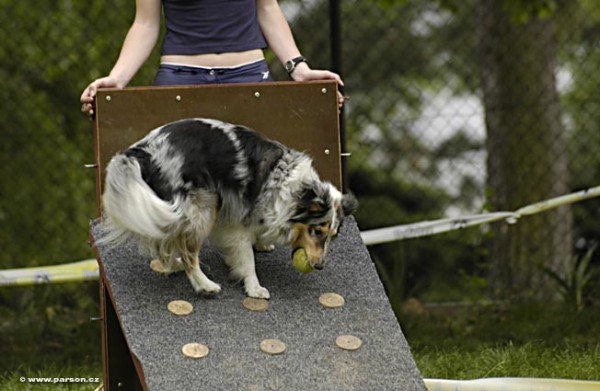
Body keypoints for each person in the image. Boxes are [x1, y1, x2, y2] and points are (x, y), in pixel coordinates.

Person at [80, 0, 344, 117]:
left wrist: (298, 67)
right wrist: (117, 78)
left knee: (254, 193)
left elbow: (267, 7)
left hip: (248, 77)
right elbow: (145, 24)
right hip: (180, 78)